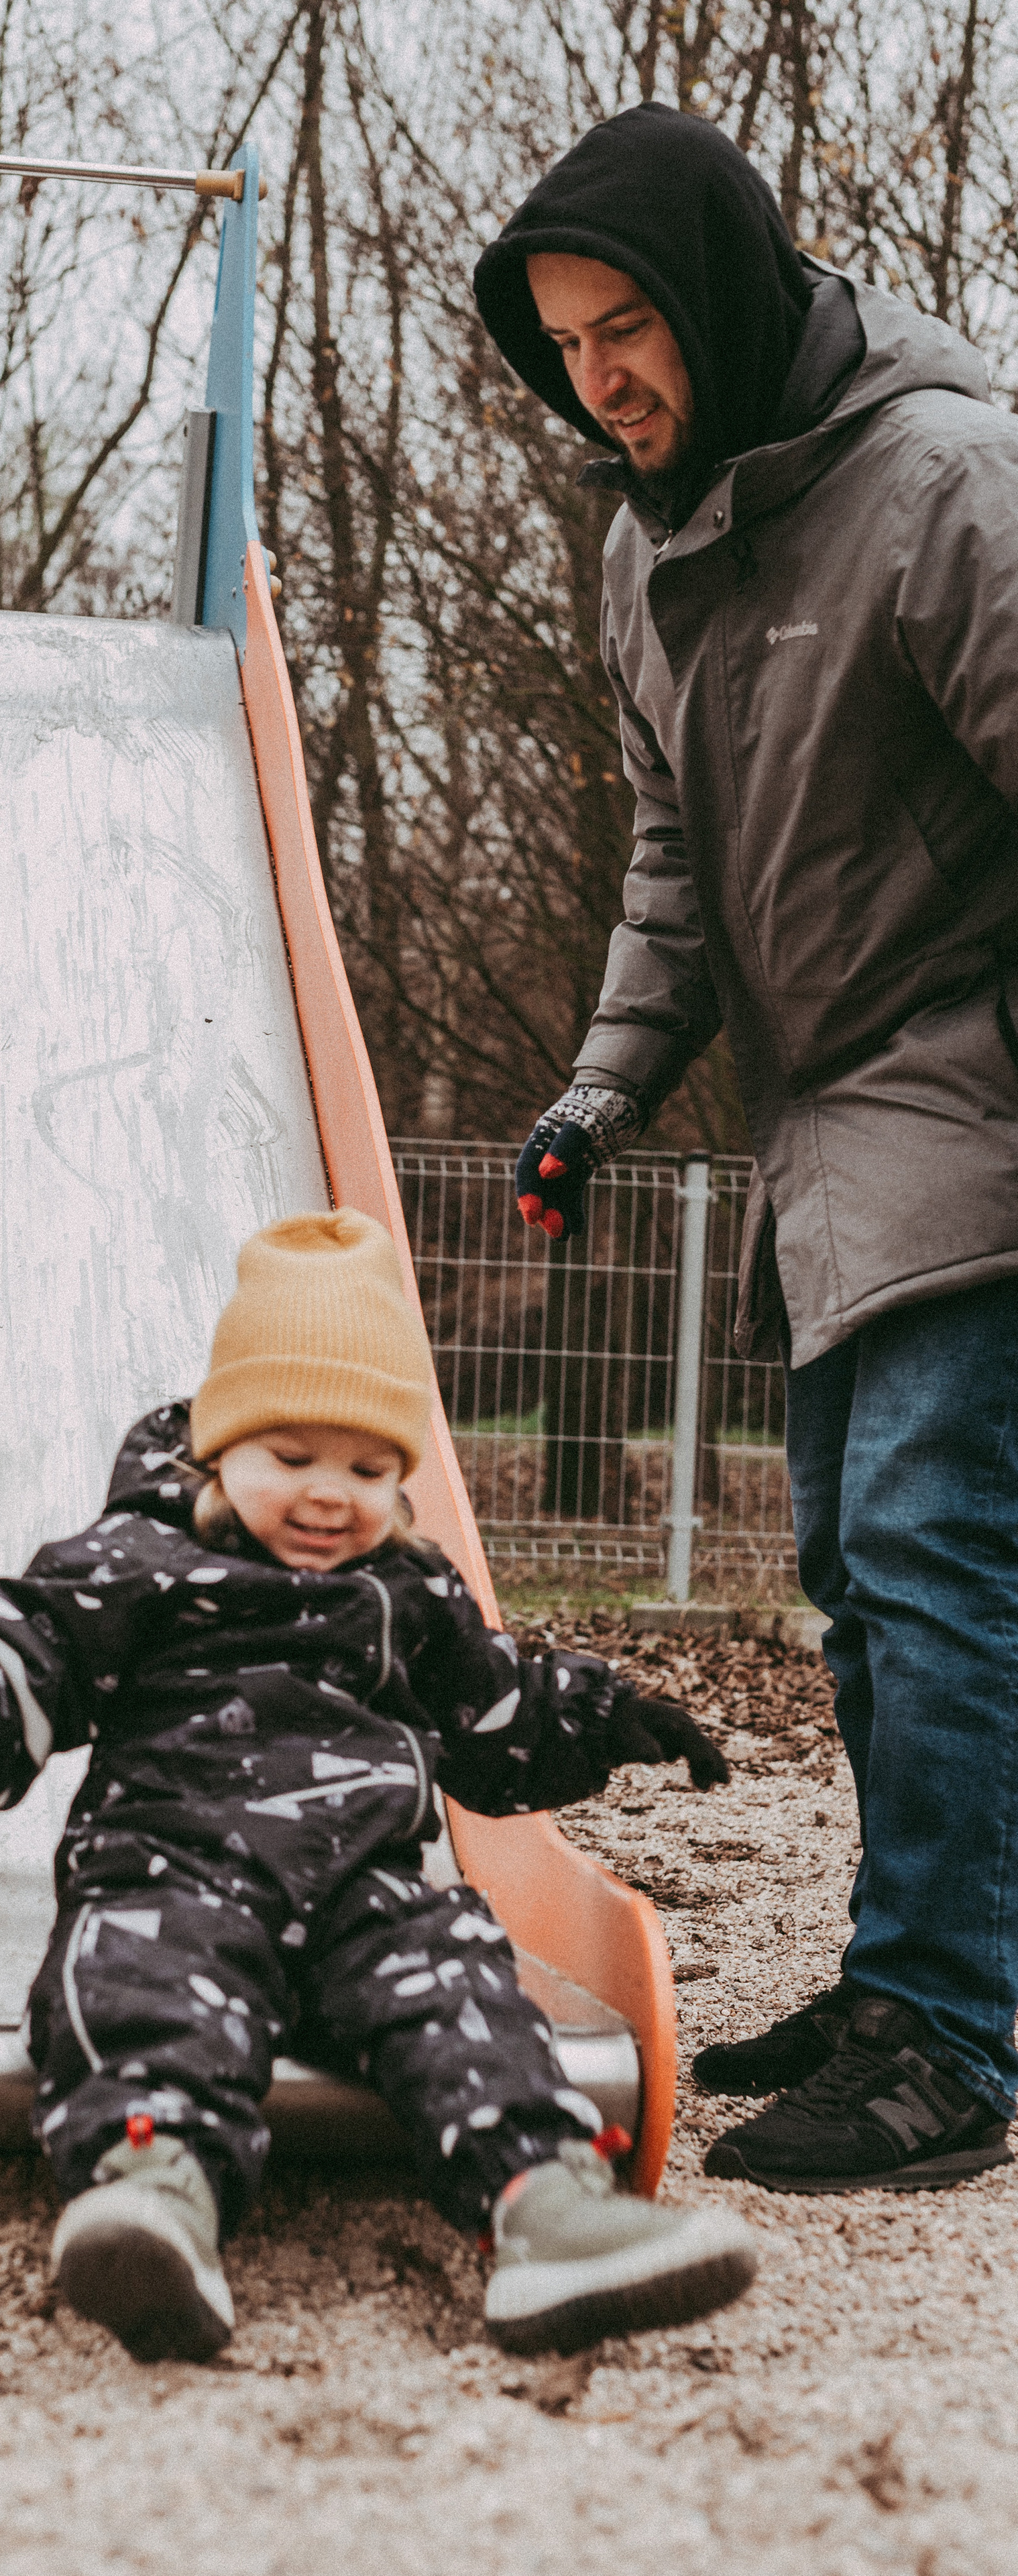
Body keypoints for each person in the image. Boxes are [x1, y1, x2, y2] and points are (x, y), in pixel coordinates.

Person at [473, 103, 1018, 2196]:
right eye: (566, 348)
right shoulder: (651, 544)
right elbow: (670, 868)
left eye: (631, 331)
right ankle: (913, 1986)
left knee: (933, 1555)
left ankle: (949, 2038)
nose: (603, 381)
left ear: (717, 297)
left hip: (969, 1091)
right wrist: (604, 1082)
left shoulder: (945, 485)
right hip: (828, 1130)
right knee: (862, 1594)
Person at [0, 1211, 758, 2361]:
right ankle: (158, 2191)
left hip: (367, 1888)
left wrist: (610, 1718)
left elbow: (494, 1714)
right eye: (290, 1458)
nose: (327, 1495)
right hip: (176, 1869)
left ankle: (548, 2215)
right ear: (219, 1451)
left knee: (462, 1982)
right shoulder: (135, 1566)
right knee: (136, 1977)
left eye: (367, 1467)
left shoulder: (410, 1591)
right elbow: (26, 1656)